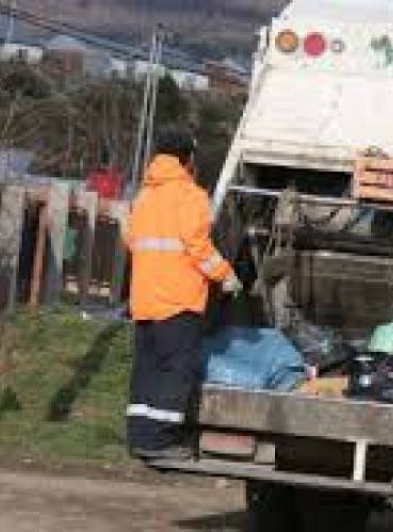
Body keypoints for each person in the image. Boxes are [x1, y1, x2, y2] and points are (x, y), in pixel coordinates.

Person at [125, 128, 243, 460]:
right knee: (175, 371)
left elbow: (133, 240)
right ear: (187, 159)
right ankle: (161, 441)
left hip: (145, 300)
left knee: (146, 369)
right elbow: (199, 248)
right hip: (178, 300)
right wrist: (226, 275)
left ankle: (140, 437)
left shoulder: (145, 196)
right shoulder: (191, 196)